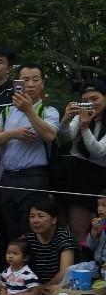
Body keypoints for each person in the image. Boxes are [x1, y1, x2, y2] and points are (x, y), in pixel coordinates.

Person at [0, 63, 60, 241]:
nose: (31, 84)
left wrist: (29, 110)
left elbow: (50, 135)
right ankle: (15, 259)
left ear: (42, 83)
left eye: (36, 79)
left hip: (34, 177)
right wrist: (14, 134)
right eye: (25, 80)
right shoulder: (7, 111)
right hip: (8, 177)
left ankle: (32, 259)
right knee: (10, 227)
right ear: (17, 84)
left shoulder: (48, 111)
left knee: (32, 228)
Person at [55, 76, 106, 241]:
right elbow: (65, 138)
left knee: (79, 227)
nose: (90, 103)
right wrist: (65, 119)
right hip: (70, 172)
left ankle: (79, 255)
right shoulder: (81, 116)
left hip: (94, 177)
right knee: (61, 223)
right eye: (85, 101)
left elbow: (99, 152)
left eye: (95, 99)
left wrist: (85, 128)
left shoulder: (86, 121)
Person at [20, 196, 76, 295]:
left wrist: (44, 287)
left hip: (56, 284)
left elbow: (65, 271)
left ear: (54, 219)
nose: (35, 220)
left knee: (60, 291)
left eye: (41, 216)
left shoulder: (64, 236)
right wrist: (34, 287)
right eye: (32, 216)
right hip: (34, 285)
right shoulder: (28, 237)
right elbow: (17, 265)